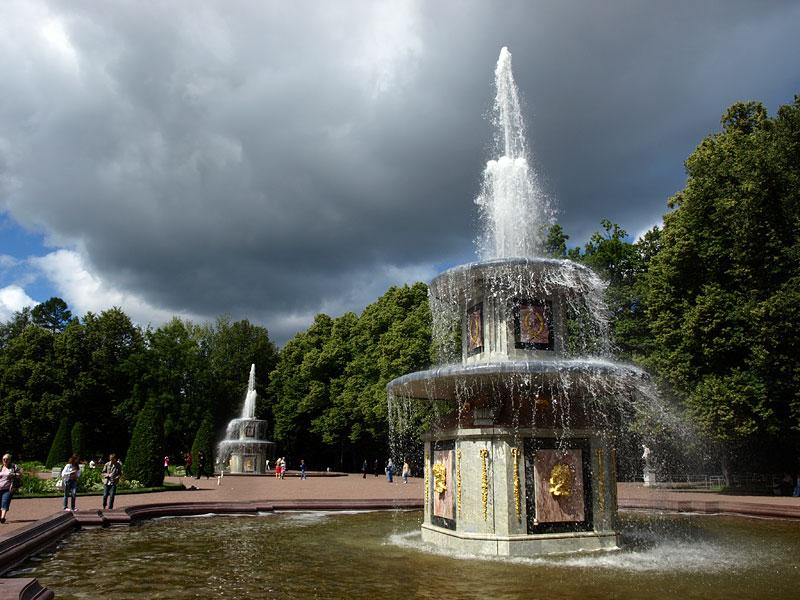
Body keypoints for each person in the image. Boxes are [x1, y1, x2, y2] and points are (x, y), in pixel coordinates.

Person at [0, 453, 22, 524]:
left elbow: (20, 474)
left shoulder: (14, 467)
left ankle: (3, 517)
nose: (5, 460)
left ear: (10, 460)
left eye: (7, 459)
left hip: (8, 488)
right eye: (4, 459)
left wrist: (13, 474)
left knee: (5, 501)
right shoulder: (1, 467)